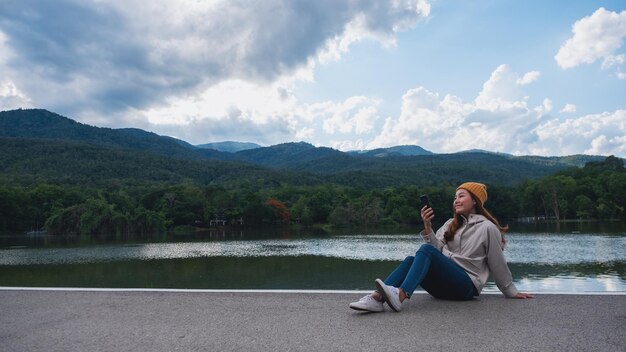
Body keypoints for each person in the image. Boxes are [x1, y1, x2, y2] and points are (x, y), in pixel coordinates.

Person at [350, 182, 533, 312]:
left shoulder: (488, 228)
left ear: (475, 200)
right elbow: (435, 251)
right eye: (455, 197)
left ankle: (400, 295)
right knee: (410, 260)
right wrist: (428, 227)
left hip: (466, 287)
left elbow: (497, 262)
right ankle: (376, 298)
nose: (456, 200)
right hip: (444, 286)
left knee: (425, 251)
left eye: (461, 196)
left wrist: (510, 291)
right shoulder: (449, 224)